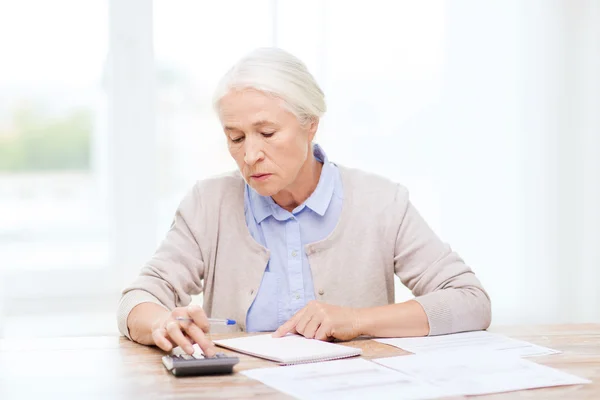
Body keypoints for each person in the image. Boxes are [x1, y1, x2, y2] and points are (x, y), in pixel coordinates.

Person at [117, 47, 491, 357]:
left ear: (310, 123)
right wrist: (162, 323)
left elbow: (470, 301)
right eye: (235, 138)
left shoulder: (381, 202)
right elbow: (139, 298)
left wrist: (357, 320)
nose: (250, 155)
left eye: (267, 133)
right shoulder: (208, 203)